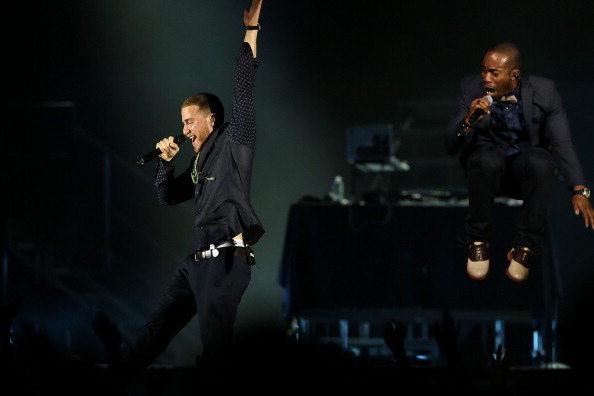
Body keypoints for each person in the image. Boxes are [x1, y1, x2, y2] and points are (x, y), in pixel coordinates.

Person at [111, 0, 265, 387]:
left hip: (226, 261)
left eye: (189, 121)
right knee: (157, 327)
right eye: (181, 123)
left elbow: (243, 89)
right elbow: (166, 198)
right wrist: (165, 164)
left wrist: (251, 32)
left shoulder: (235, 141)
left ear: (211, 119)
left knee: (215, 346)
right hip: (195, 263)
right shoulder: (197, 164)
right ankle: (113, 382)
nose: (185, 129)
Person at [445, 41, 594, 283]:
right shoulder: (470, 88)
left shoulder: (544, 90)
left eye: (494, 73)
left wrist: (579, 189)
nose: (486, 78)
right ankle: (478, 240)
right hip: (486, 173)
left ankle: (524, 247)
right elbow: (451, 145)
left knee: (541, 161)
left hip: (523, 172)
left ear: (514, 74)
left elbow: (562, 140)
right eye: (484, 70)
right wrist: (468, 121)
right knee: (487, 158)